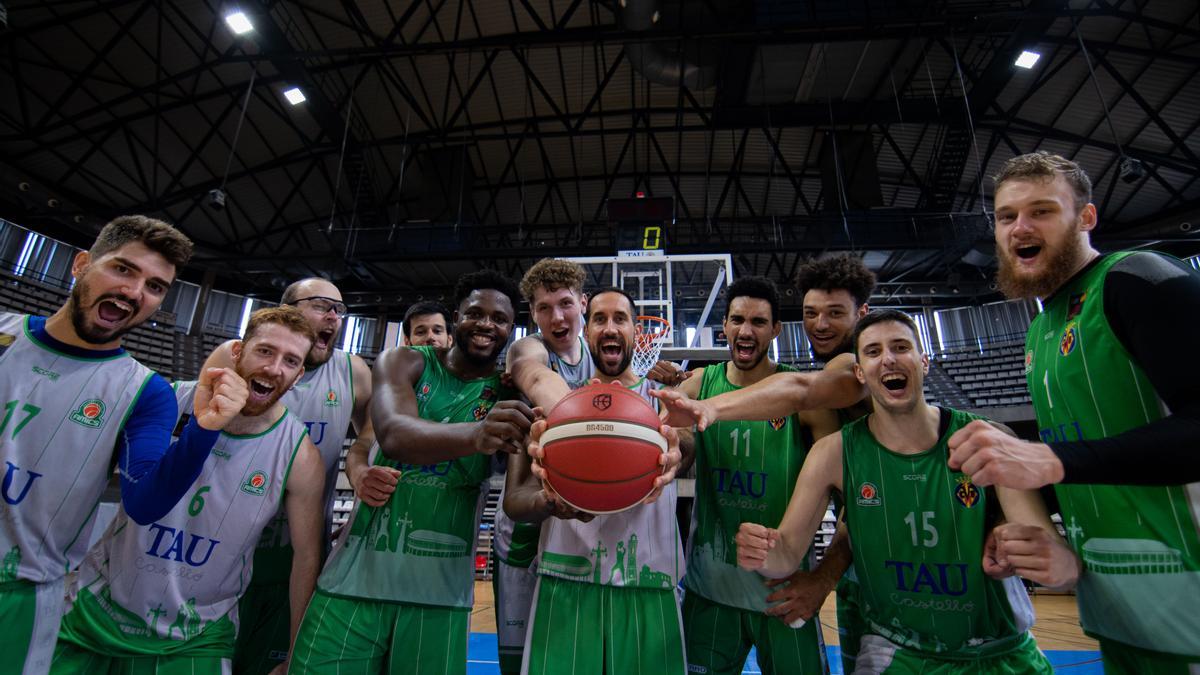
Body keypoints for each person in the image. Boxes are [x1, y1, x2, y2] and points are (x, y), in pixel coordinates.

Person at [947, 151, 1200, 672]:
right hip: (1119, 606)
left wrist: (1052, 460)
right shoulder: (1041, 328)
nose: (1020, 227)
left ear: (1085, 218)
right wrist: (1022, 529)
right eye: (1006, 216)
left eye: (1041, 211)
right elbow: (1096, 459)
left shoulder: (1138, 278)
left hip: (1189, 596)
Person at [737, 310, 1076, 674]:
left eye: (901, 347)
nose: (888, 359)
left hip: (1003, 650)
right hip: (897, 653)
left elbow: (1056, 562)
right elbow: (785, 556)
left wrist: (1042, 556)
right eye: (872, 352)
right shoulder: (833, 453)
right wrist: (761, 552)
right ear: (859, 373)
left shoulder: (988, 439)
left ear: (923, 361)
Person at [0, 215, 247, 672]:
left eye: (155, 287)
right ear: (80, 265)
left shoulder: (145, 391)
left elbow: (145, 501)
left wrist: (203, 430)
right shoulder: (4, 334)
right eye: (123, 269)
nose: (134, 292)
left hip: (22, 596)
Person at [52, 306, 326, 673]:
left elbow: (306, 557)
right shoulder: (165, 402)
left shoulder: (300, 455)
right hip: (95, 613)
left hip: (197, 637)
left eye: (290, 361)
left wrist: (296, 651)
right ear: (238, 352)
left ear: (298, 376)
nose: (275, 368)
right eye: (265, 351)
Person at [289, 270, 534, 674]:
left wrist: (560, 499)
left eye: (500, 319)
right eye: (475, 313)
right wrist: (479, 433)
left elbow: (516, 500)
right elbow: (394, 433)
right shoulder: (404, 361)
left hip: (440, 594)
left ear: (511, 329)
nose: (487, 324)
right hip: (354, 582)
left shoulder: (510, 394)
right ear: (457, 317)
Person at [652, 256, 875, 672]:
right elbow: (680, 441)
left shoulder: (811, 400)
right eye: (737, 320)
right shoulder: (700, 383)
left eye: (758, 322)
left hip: (785, 595)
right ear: (724, 326)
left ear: (775, 330)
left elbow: (853, 495)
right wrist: (670, 453)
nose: (745, 330)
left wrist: (821, 580)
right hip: (710, 593)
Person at [505, 287, 686, 674]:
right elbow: (514, 501)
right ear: (586, 334)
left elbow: (687, 443)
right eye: (599, 319)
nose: (609, 327)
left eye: (620, 319)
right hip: (564, 583)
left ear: (638, 333)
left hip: (648, 587)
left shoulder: (667, 402)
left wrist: (677, 451)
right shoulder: (556, 406)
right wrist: (550, 501)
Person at [200, 276, 375, 673]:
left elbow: (373, 427)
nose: (334, 315)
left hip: (293, 563)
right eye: (321, 305)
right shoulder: (233, 358)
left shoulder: (353, 371)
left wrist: (360, 457)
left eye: (340, 310)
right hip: (217, 557)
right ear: (287, 311)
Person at [492, 258, 593, 674]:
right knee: (518, 664)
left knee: (570, 658)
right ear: (532, 314)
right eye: (544, 308)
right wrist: (592, 434)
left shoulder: (601, 356)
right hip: (525, 531)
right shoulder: (529, 348)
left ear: (583, 304)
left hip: (579, 536)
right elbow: (531, 372)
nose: (557, 316)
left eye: (565, 303)